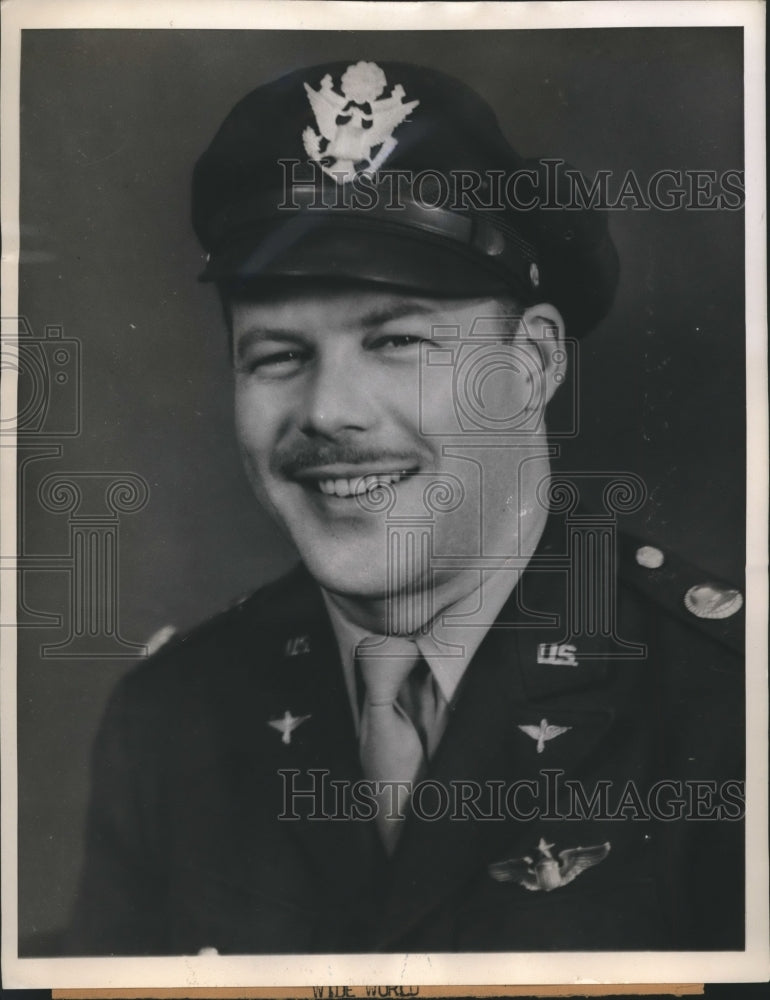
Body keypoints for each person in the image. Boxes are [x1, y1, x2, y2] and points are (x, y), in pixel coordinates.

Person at [67, 60, 745, 956]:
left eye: (397, 341)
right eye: (276, 355)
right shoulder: (170, 721)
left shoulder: (731, 702)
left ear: (533, 364)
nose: (326, 412)